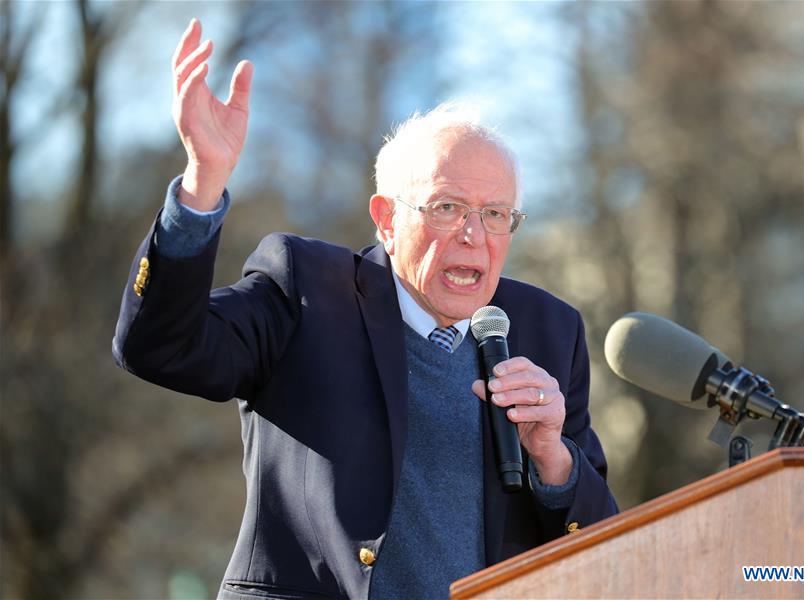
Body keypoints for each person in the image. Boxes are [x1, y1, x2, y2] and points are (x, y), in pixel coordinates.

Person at [113, 18, 618, 600]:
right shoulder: (307, 290)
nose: (474, 235)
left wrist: (554, 460)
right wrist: (201, 186)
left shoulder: (549, 331)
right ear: (385, 219)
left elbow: (600, 546)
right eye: (447, 207)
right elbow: (160, 347)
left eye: (496, 214)